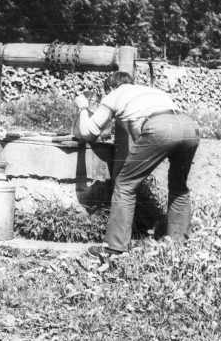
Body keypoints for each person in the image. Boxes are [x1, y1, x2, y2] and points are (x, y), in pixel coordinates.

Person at [71, 71, 200, 259]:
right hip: (189, 126)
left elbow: (89, 132)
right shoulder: (149, 91)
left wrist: (82, 108)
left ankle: (114, 249)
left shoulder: (115, 93)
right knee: (178, 186)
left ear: (110, 88)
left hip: (161, 128)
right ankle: (177, 246)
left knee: (124, 184)